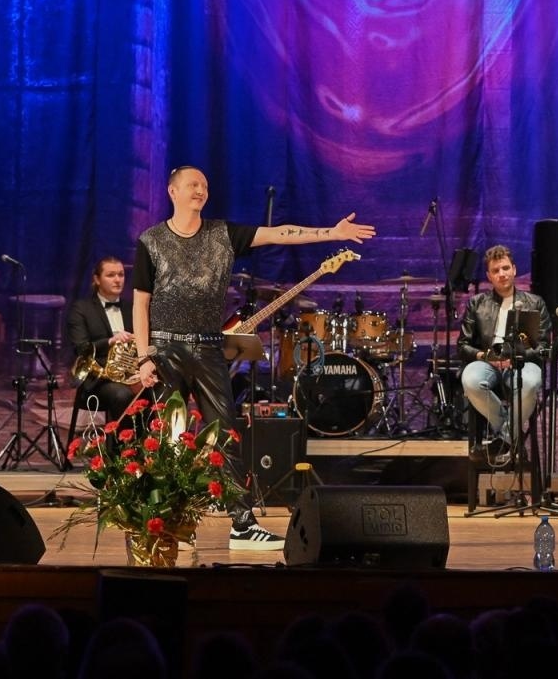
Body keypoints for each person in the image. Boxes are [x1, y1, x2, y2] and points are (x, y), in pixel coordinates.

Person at [131, 165, 375, 550]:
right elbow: (141, 304)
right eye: (193, 184)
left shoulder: (223, 234)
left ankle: (242, 523)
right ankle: (168, 518)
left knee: (225, 434)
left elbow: (280, 233)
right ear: (173, 191)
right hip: (165, 349)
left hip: (209, 347)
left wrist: (333, 233)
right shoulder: (151, 240)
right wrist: (144, 357)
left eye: (206, 185)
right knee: (168, 434)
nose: (201, 190)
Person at [457, 245, 547, 461]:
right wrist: (484, 356)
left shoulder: (535, 303)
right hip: (488, 361)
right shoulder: (477, 303)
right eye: (496, 271)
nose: (502, 274)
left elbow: (543, 347)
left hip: (522, 362)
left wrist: (518, 357)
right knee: (470, 379)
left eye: (506, 268)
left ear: (514, 270)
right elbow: (463, 345)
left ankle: (505, 438)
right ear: (489, 276)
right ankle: (511, 436)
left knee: (532, 383)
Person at [66, 256, 144, 424]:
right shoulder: (81, 309)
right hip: (98, 381)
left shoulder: (132, 308)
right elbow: (81, 349)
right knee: (122, 395)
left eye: (121, 275)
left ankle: (149, 445)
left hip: (131, 375)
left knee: (160, 390)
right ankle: (120, 448)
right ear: (97, 279)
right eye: (110, 275)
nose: (117, 280)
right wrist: (110, 341)